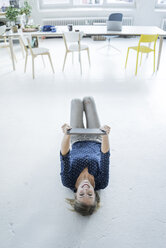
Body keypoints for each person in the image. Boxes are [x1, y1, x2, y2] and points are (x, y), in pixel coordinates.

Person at [60, 96, 111, 216]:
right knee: (89, 100)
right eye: (90, 194)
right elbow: (105, 156)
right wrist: (105, 135)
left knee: (75, 101)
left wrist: (67, 134)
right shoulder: (102, 182)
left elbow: (64, 155)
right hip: (96, 137)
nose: (86, 189)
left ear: (75, 195)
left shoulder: (68, 181)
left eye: (81, 194)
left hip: (76, 138)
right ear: (95, 195)